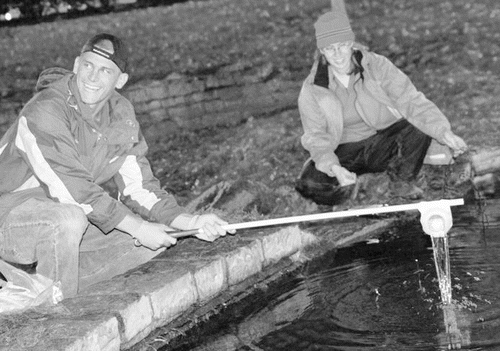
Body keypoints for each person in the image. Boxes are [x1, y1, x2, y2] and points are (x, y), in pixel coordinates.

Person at [0, 33, 234, 299]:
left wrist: (189, 221)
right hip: (9, 215)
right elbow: (73, 191)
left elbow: (139, 187)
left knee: (149, 244)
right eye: (87, 65)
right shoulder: (45, 110)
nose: (91, 77)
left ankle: (33, 286)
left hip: (60, 216)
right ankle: (53, 309)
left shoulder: (121, 115)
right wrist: (137, 226)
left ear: (120, 80)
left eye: (105, 71)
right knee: (69, 219)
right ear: (76, 64)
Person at [295, 9, 468, 206]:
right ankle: (348, 195)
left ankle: (401, 181)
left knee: (417, 125)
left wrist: (444, 133)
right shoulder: (312, 88)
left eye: (342, 45)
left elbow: (411, 101)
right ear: (322, 51)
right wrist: (334, 168)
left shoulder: (376, 65)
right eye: (330, 48)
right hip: (345, 151)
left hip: (384, 143)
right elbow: (316, 138)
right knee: (308, 183)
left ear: (351, 43)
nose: (338, 54)